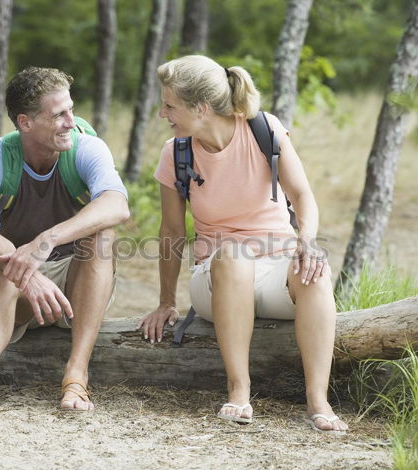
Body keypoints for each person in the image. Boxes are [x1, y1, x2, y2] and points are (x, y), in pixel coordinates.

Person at [139, 55, 348, 433]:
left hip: (276, 268)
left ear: (201, 108)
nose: (162, 114)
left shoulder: (264, 130)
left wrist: (307, 240)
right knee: (234, 255)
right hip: (217, 279)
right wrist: (166, 302)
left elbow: (302, 196)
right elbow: (171, 231)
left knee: (316, 271)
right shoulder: (177, 153)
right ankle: (239, 390)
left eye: (169, 105)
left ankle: (318, 400)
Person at [0, 67, 129, 420]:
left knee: (102, 234)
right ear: (25, 123)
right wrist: (29, 273)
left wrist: (47, 241)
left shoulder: (85, 146)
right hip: (18, 283)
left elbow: (117, 205)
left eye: (71, 109)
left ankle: (76, 375)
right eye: (59, 114)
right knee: (6, 273)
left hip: (79, 280)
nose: (71, 122)